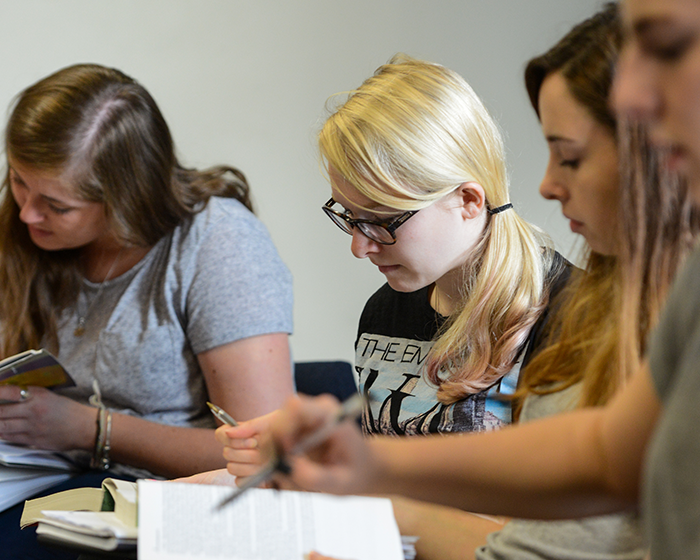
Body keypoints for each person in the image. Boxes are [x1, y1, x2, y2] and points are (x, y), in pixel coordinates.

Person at [263, 1, 700, 557]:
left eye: (665, 45)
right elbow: (604, 459)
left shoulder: (579, 312)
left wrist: (371, 487)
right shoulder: (665, 293)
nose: (544, 186)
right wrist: (364, 464)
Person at [0, 63, 294, 555]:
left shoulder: (217, 242)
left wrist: (90, 429)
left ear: (123, 199)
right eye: (17, 181)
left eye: (57, 205)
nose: (28, 211)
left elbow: (267, 455)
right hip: (50, 478)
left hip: (169, 498)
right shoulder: (30, 232)